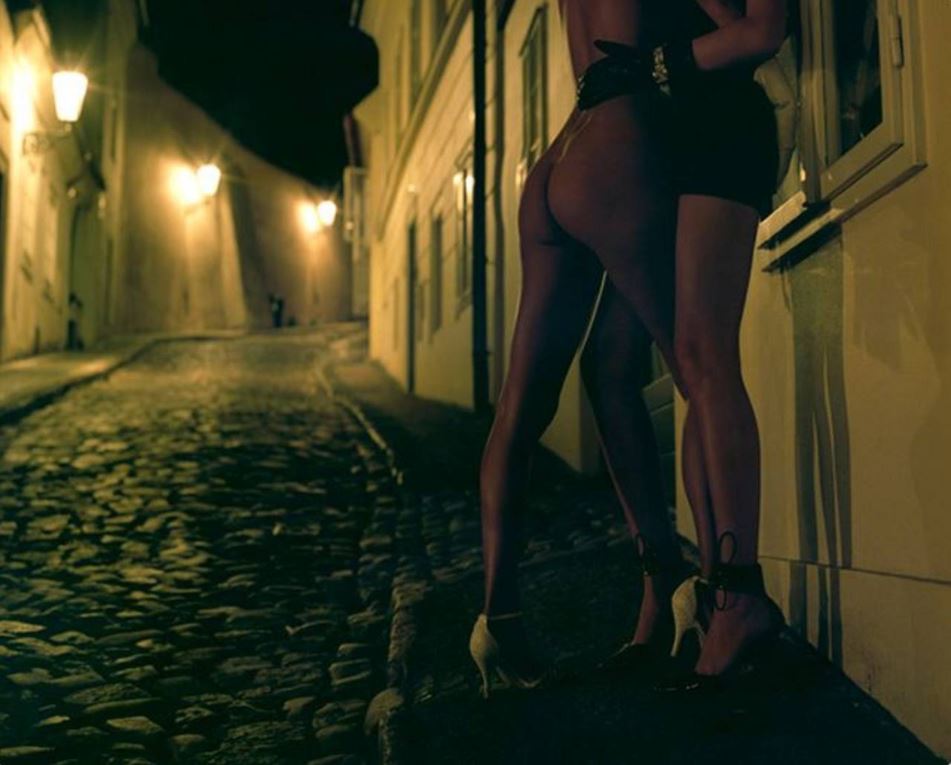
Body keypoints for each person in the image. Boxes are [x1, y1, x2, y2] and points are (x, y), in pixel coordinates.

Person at [470, 0, 787, 698]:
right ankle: (721, 591)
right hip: (620, 143)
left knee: (533, 398)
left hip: (562, 150)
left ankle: (499, 617)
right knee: (695, 367)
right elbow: (746, 29)